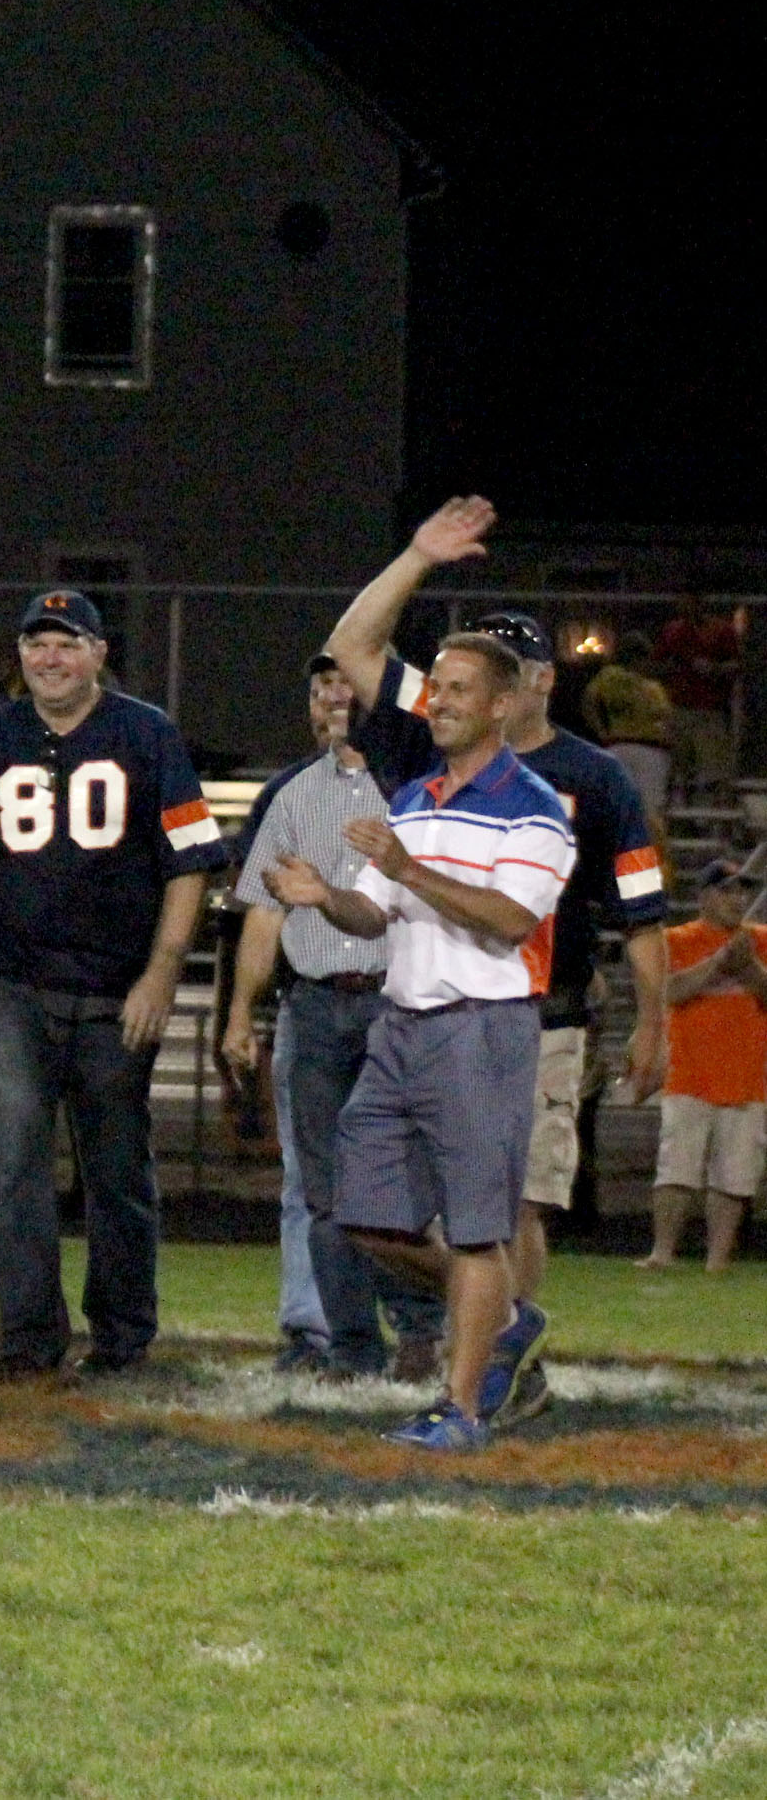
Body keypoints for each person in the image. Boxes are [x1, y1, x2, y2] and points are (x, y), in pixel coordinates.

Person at [327, 507, 670, 1383]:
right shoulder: (432, 739)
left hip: (540, 1011)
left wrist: (653, 1023)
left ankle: (493, 1371)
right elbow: (352, 644)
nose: (448, 695)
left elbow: (640, 911)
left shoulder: (588, 779)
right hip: (426, 1007)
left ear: (535, 684)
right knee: (380, 1210)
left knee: (517, 1199)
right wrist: (415, 558)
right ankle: (506, 1327)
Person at [260, 631, 574, 1452]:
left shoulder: (536, 805)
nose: (439, 701)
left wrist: (406, 868)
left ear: (503, 704)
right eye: (435, 688)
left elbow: (511, 921)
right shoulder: (415, 799)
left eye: (460, 689)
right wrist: (320, 894)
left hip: (481, 1028)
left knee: (477, 1229)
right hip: (402, 1026)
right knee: (363, 1217)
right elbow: (372, 913)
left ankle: (462, 1407)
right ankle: (504, 1317)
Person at [0, 590, 227, 1381]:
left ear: (97, 654)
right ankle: (27, 1341)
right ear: (19, 655)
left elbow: (190, 863)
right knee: (15, 1159)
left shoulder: (145, 731)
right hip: (16, 980)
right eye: (36, 643)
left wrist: (161, 974)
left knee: (116, 1165)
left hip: (118, 983)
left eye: (66, 643)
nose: (49, 658)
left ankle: (122, 1337)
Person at [221, 655, 445, 1379]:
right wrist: (239, 1013)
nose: (336, 699)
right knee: (322, 1192)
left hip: (393, 1000)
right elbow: (263, 909)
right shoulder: (290, 794)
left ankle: (418, 1330)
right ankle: (349, 1345)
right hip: (313, 1003)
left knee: (398, 1178)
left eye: (348, 685)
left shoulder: (416, 789)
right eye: (322, 687)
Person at [644, 863, 766, 1270]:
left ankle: (717, 1260)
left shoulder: (761, 942)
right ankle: (662, 1253)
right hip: (689, 1074)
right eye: (728, 891)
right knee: (676, 1171)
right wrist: (717, 962)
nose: (738, 900)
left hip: (750, 1077)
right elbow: (670, 991)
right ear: (705, 897)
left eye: (742, 892)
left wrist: (749, 968)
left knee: (734, 1178)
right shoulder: (676, 940)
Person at [581, 630, 675, 830]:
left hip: (617, 745)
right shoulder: (649, 687)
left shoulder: (607, 677)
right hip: (649, 748)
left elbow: (588, 703)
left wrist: (601, 732)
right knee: (649, 808)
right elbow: (665, 719)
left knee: (617, 805)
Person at [656, 591, 742, 800]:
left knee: (713, 770)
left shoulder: (721, 630)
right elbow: (658, 663)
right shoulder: (673, 631)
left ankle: (714, 817)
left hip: (710, 711)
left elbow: (737, 665)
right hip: (680, 708)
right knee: (679, 770)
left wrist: (713, 668)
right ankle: (680, 819)